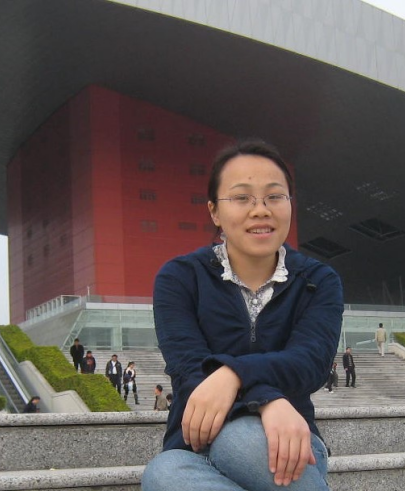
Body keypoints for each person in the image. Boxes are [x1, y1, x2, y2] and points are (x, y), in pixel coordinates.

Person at [142, 140, 344, 491]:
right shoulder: (180, 278)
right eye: (242, 198)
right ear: (214, 211)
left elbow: (309, 363)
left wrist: (232, 375)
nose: (260, 210)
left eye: (274, 196)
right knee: (163, 475)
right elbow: (189, 370)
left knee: (241, 440)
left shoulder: (318, 280)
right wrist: (267, 398)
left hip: (286, 442)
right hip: (195, 446)